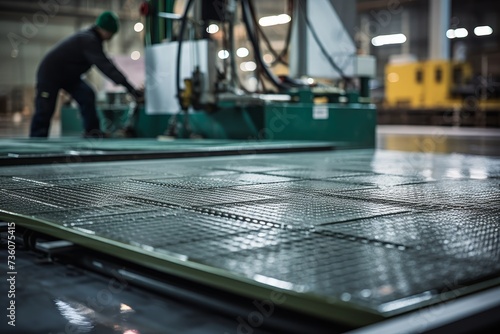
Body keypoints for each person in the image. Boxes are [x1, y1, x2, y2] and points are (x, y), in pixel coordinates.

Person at [30, 11, 143, 138]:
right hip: (50, 74)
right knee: (45, 109)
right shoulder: (89, 40)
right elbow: (105, 66)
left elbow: (105, 64)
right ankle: (37, 139)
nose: (111, 37)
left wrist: (129, 88)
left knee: (87, 94)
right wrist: (130, 88)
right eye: (112, 34)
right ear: (107, 31)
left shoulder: (91, 39)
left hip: (68, 76)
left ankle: (92, 132)